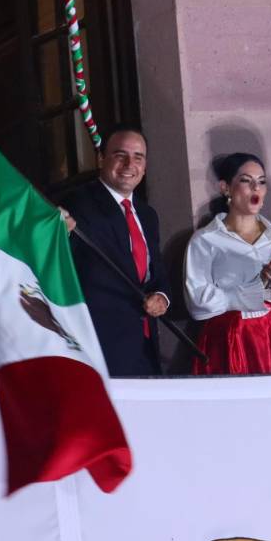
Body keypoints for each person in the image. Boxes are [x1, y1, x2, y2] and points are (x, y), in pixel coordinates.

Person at [185, 153, 271, 374]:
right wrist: (254, 291)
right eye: (246, 181)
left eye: (262, 182)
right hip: (228, 341)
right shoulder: (206, 240)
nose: (256, 188)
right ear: (225, 188)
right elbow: (197, 303)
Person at [63, 125, 171, 376]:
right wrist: (61, 232)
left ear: (144, 167)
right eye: (120, 155)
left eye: (138, 157)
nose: (129, 164)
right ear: (101, 158)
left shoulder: (147, 214)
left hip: (145, 347)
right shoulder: (78, 203)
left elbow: (156, 273)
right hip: (99, 346)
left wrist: (163, 297)